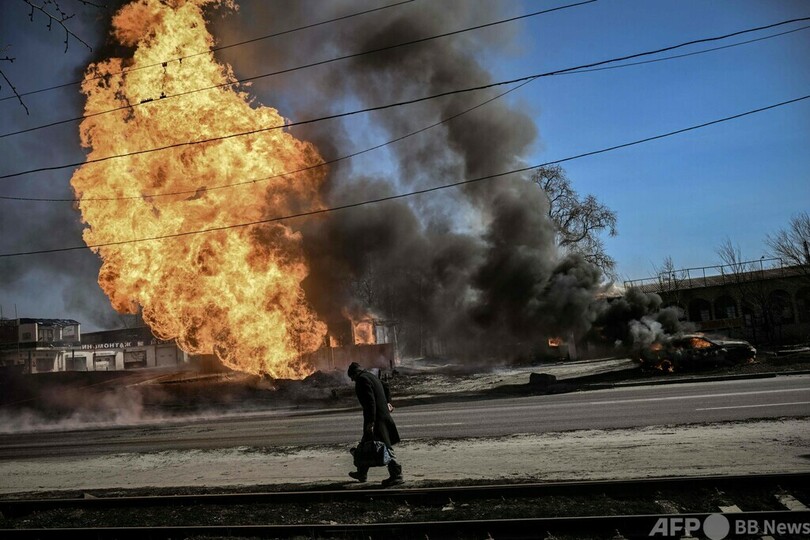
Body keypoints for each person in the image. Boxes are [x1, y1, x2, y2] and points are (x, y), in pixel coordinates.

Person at [347, 361, 403, 487]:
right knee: (365, 445)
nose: (352, 381)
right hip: (382, 416)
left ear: (355, 374)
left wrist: (371, 422)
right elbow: (386, 386)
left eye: (352, 377)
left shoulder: (362, 380)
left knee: (385, 446)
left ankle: (397, 474)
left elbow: (370, 402)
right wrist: (388, 402)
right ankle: (361, 473)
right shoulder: (371, 376)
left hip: (376, 419)